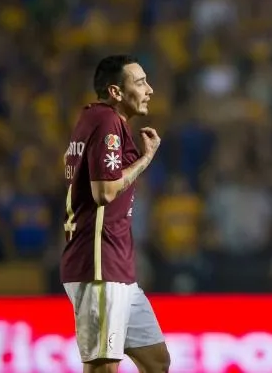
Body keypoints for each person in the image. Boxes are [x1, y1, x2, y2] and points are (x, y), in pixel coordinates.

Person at [61, 55, 171, 373]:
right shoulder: (107, 121)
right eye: (140, 83)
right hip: (99, 266)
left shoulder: (92, 119)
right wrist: (146, 159)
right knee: (103, 367)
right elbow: (104, 191)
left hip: (116, 269)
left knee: (156, 360)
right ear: (116, 91)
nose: (149, 89)